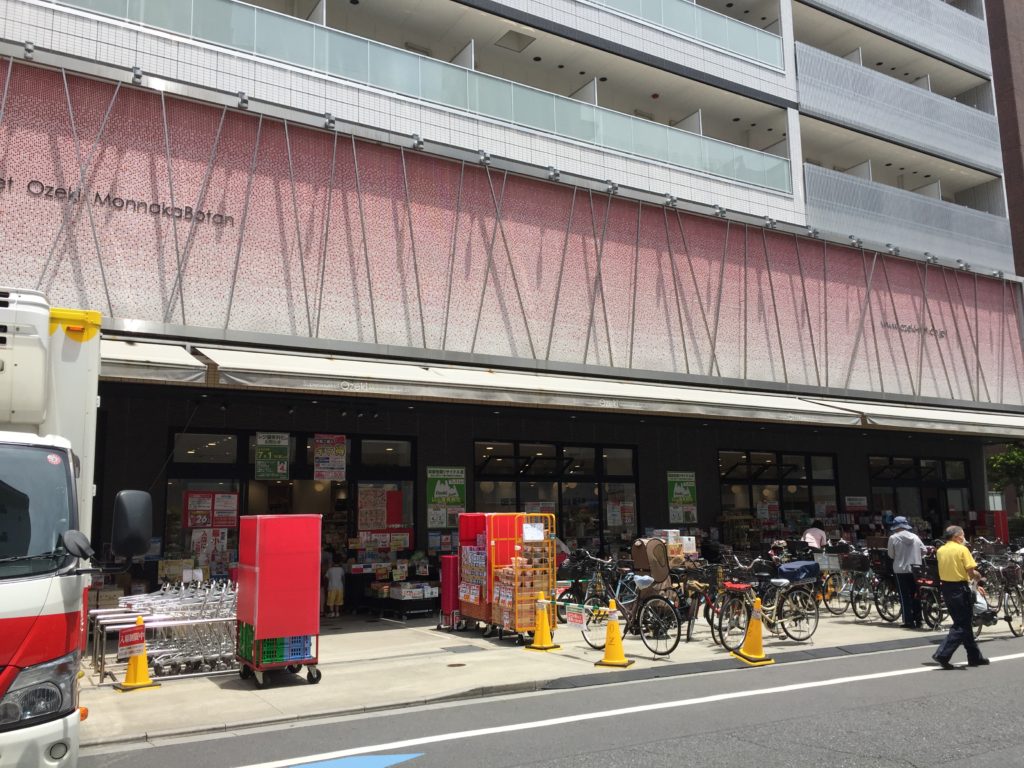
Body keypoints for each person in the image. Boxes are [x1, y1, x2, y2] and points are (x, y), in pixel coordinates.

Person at [932, 525, 989, 669]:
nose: (964, 538)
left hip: (947, 588)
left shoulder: (941, 550)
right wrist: (979, 577)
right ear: (957, 537)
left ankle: (975, 657)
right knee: (962, 624)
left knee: (964, 623)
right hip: (959, 588)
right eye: (963, 535)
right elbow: (971, 572)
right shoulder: (962, 549)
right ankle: (942, 654)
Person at [887, 516, 925, 629]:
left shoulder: (893, 538)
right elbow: (924, 550)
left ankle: (908, 621)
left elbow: (891, 555)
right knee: (916, 595)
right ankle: (919, 620)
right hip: (916, 569)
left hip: (900, 570)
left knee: (904, 596)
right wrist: (916, 557)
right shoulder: (915, 537)